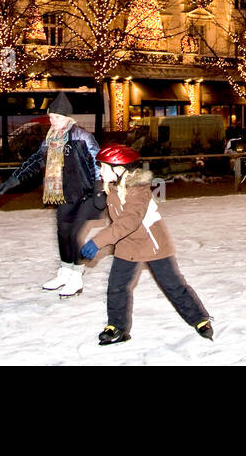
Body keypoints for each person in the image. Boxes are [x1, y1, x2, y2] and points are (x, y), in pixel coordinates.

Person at [80, 144, 213, 345]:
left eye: (103, 167)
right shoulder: (113, 187)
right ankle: (117, 327)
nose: (100, 171)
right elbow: (110, 215)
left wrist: (97, 241)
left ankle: (199, 319)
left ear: (119, 169)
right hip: (128, 243)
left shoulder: (138, 190)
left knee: (173, 285)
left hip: (153, 244)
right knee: (117, 286)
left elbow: (129, 221)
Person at [0, 91, 103, 297]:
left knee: (74, 234)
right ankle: (65, 271)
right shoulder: (50, 140)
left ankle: (76, 276)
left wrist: (98, 189)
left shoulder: (82, 136)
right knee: (62, 232)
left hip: (86, 194)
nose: (52, 121)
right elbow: (34, 162)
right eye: (51, 117)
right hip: (64, 194)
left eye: (56, 117)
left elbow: (98, 162)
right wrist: (10, 181)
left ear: (68, 118)